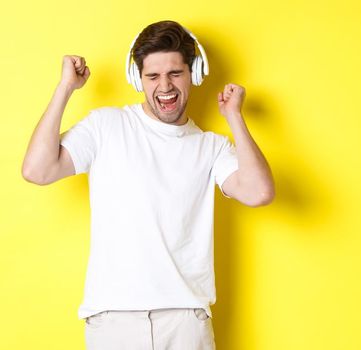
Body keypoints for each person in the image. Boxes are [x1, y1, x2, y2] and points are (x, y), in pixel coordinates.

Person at [21, 20, 275, 350]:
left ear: (194, 73)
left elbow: (259, 192)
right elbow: (37, 170)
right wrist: (65, 88)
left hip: (185, 322)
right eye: (152, 76)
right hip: (113, 321)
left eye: (175, 73)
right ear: (137, 78)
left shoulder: (211, 147)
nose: (164, 86)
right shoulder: (105, 126)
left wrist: (235, 118)